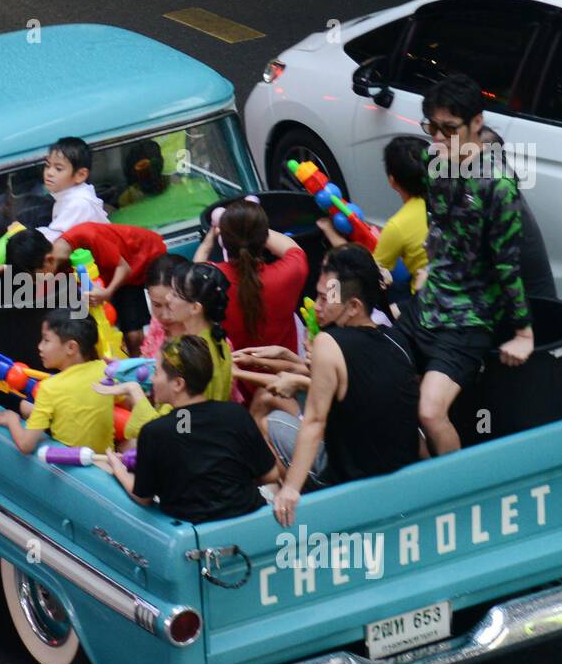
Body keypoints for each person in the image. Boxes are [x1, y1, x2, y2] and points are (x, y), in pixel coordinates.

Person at [397, 73, 536, 456]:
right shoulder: (434, 163)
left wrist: (523, 332)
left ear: (477, 122)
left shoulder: (498, 185)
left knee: (429, 411)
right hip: (428, 303)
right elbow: (438, 226)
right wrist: (428, 267)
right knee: (380, 387)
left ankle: (452, 493)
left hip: (468, 319)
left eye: (449, 129)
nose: (438, 139)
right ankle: (420, 475)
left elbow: (508, 265)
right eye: (432, 128)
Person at [268, 246, 420, 526]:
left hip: (348, 484)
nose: (317, 306)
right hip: (404, 480)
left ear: (353, 307)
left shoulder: (329, 343)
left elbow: (314, 421)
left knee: (273, 420)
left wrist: (290, 489)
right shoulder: (398, 340)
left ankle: (297, 504)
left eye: (326, 299)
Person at [106, 335, 278, 521]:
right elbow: (271, 475)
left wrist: (117, 468)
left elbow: (143, 497)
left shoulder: (155, 432)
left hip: (193, 534)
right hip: (248, 518)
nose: (152, 380)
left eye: (156, 372)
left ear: (178, 384)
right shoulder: (236, 414)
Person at [101, 260, 234, 438]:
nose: (169, 300)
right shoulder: (216, 341)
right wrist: (130, 369)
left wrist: (133, 390)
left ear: (195, 308)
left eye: (176, 294)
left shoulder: (187, 353)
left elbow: (178, 429)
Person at [5, 222, 167, 354]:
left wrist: (107, 292)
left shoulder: (87, 236)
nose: (34, 283)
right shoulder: (52, 264)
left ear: (48, 260)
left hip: (142, 257)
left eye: (34, 278)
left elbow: (124, 268)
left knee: (133, 334)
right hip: (112, 276)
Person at [195, 197, 308, 388]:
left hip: (238, 385)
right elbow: (292, 249)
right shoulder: (290, 272)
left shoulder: (210, 281)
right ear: (263, 238)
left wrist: (211, 236)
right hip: (287, 380)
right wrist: (255, 225)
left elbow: (197, 266)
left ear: (224, 241)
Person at [316, 136, 428, 305]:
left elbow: (368, 274)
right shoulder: (452, 198)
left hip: (424, 301)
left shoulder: (397, 226)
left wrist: (332, 235)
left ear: (392, 181)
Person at [0, 309, 113, 454]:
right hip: (106, 456)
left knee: (22, 407)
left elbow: (25, 445)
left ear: (71, 347)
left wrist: (12, 420)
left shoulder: (49, 387)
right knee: (27, 407)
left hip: (70, 462)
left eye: (46, 340)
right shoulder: (105, 370)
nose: (40, 346)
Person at [36, 137, 108, 243]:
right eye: (47, 166)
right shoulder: (66, 197)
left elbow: (55, 239)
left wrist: (22, 233)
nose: (49, 173)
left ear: (80, 175)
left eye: (58, 168)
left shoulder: (78, 203)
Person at [139, 253, 188, 359]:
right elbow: (145, 360)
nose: (165, 316)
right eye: (156, 305)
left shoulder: (203, 341)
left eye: (171, 305)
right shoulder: (157, 324)